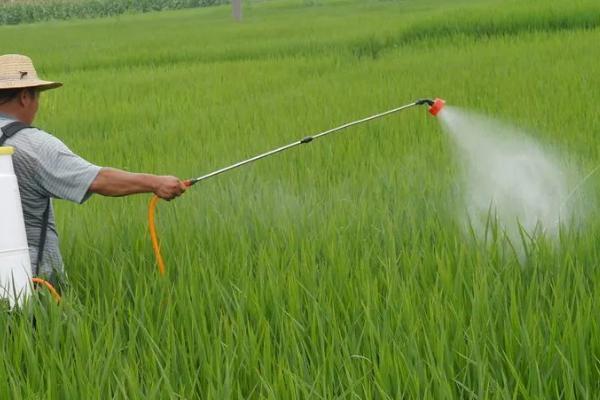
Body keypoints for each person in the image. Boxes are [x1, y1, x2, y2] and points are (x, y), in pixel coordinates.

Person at [0, 54, 187, 287]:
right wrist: (156, 183)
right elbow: (98, 180)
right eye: (37, 96)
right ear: (25, 97)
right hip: (30, 284)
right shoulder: (33, 145)